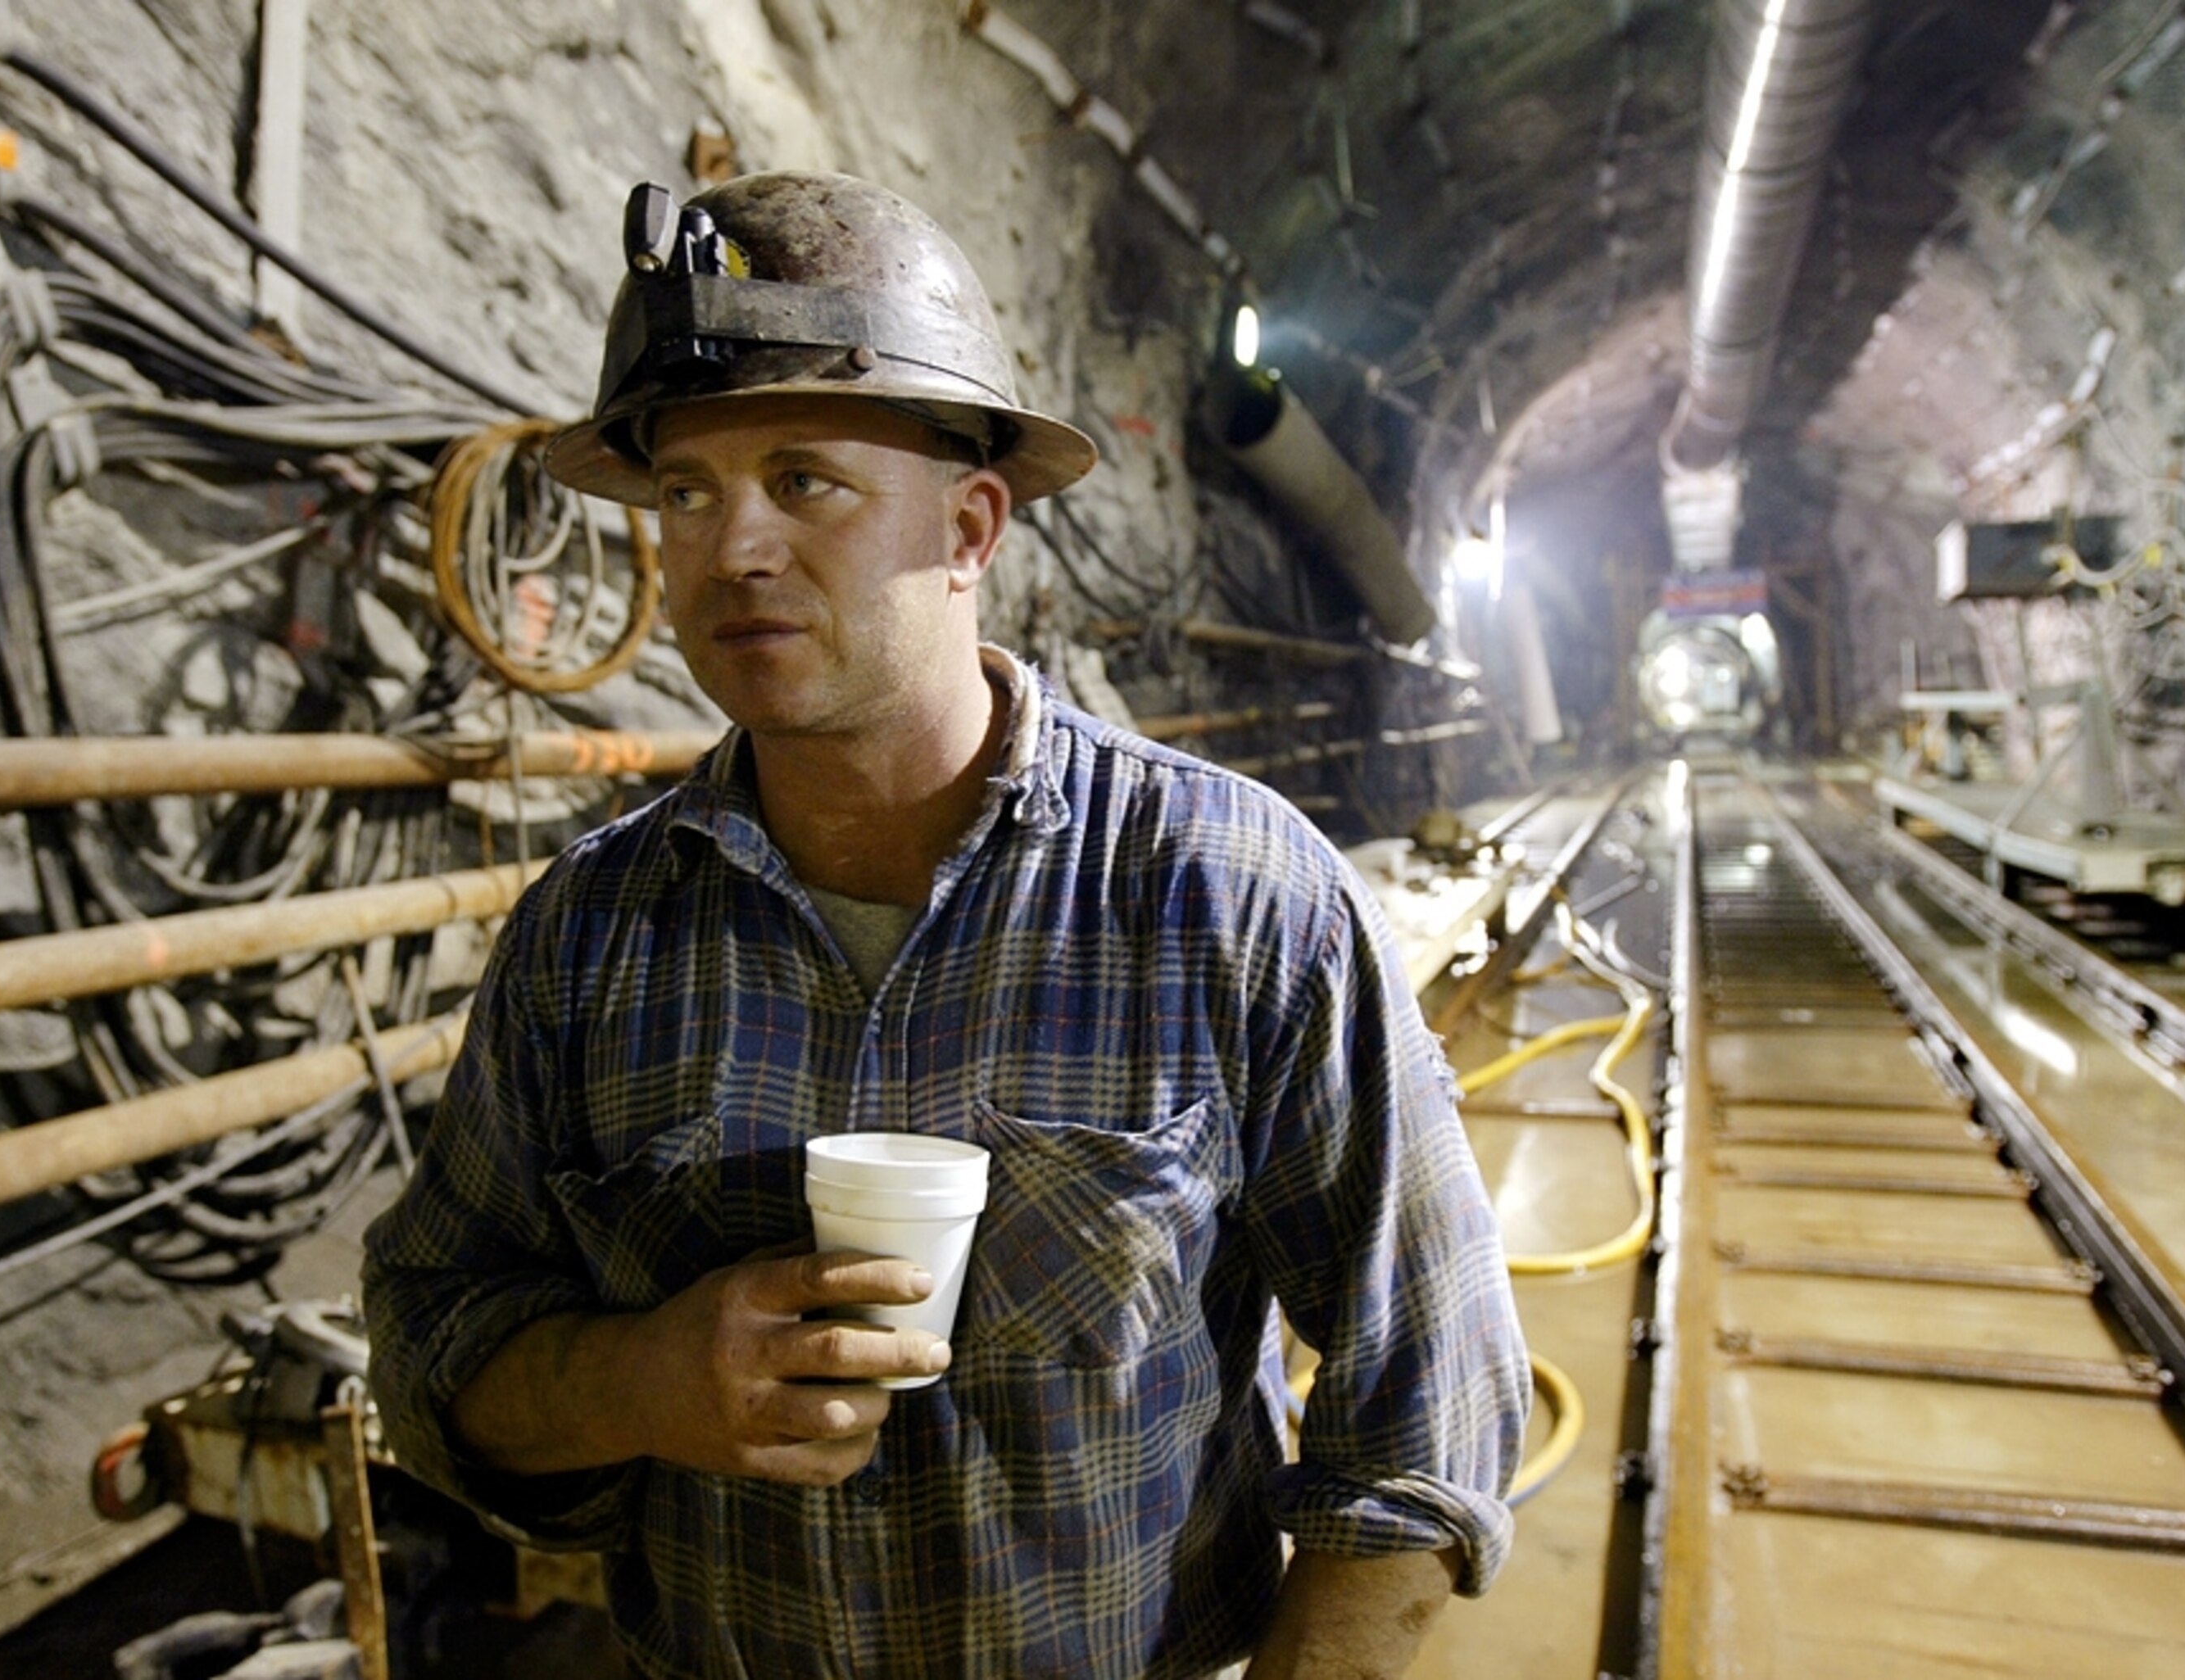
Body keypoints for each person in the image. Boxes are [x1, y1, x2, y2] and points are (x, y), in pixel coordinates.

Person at [362, 170, 1529, 1679]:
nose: (735, 552)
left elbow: (1429, 1402)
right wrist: (641, 1381)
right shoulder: (588, 942)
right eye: (686, 495)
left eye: (806, 480)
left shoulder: (1231, 895)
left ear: (971, 527)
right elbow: (433, 1338)